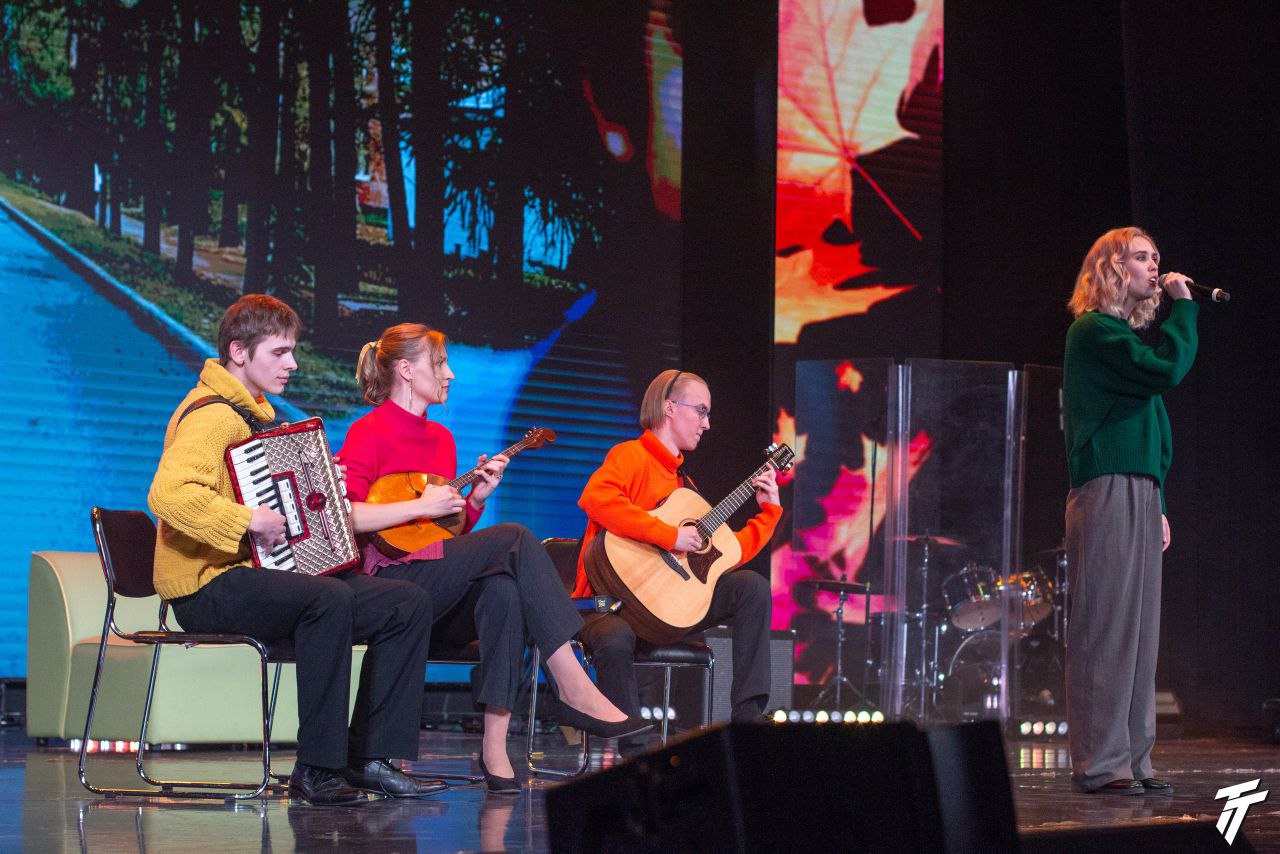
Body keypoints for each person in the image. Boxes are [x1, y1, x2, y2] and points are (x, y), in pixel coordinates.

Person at [148, 295, 440, 805]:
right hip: (205, 586)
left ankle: (369, 757)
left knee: (406, 603)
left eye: (292, 352)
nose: (293, 364)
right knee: (328, 599)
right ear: (239, 352)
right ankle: (318, 769)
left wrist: (324, 484)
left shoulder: (251, 417)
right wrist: (247, 520)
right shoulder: (212, 416)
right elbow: (169, 495)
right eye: (280, 352)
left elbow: (274, 500)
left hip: (249, 574)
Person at [338, 323, 649, 793]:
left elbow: (438, 535)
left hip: (434, 578)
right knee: (516, 537)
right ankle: (570, 680)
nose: (450, 374)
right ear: (406, 370)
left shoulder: (442, 439)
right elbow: (348, 515)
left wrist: (476, 502)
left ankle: (494, 747)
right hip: (391, 585)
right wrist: (424, 505)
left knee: (503, 590)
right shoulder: (368, 432)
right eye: (440, 364)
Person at [1062, 226, 1197, 795]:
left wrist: (1158, 501)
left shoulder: (1125, 341)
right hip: (1107, 486)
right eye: (1142, 258)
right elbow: (1169, 368)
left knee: (1141, 631)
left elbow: (1156, 433)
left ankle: (1134, 760)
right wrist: (1184, 309)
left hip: (1139, 490)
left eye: (1156, 257)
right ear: (1113, 269)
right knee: (1108, 626)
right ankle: (1101, 763)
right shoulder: (1094, 332)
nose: (1155, 267)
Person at [573, 369, 782, 725]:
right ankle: (633, 744)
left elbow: (725, 554)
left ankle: (748, 716)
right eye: (701, 411)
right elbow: (597, 499)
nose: (707, 424)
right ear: (669, 407)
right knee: (615, 638)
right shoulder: (630, 456)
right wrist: (669, 536)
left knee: (752, 587)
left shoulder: (685, 486)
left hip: (666, 611)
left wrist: (770, 512)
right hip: (613, 607)